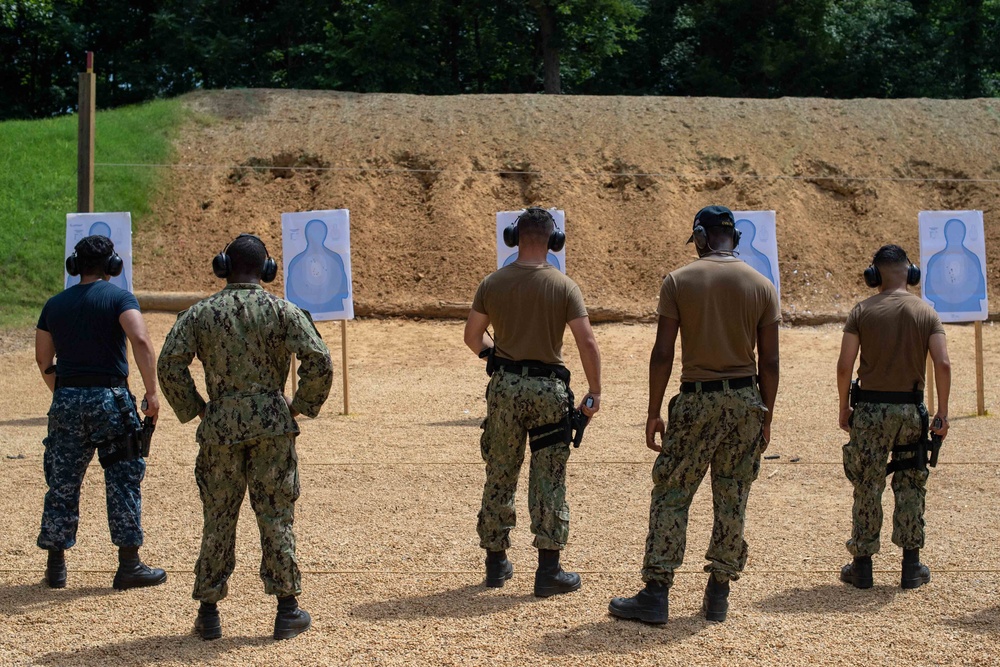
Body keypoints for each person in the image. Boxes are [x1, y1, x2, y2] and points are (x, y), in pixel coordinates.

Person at [157, 234, 333, 641]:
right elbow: (319, 361)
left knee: (218, 517)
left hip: (219, 426)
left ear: (224, 266)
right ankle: (287, 610)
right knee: (275, 515)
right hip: (272, 424)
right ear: (267, 269)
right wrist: (298, 405)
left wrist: (197, 408)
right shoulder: (282, 310)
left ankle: (209, 612)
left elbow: (170, 365)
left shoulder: (200, 313)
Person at [609, 205, 780, 624]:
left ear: (701, 238)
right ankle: (718, 594)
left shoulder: (678, 282)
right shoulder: (762, 285)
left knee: (673, 493)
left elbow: (663, 352)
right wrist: (767, 416)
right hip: (745, 402)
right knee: (732, 496)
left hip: (696, 399)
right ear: (735, 239)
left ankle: (656, 593)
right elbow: (770, 363)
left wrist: (653, 411)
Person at [464, 207, 601, 597]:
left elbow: (473, 337)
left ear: (514, 237)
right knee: (549, 478)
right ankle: (548, 571)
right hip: (547, 392)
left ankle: (495, 563)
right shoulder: (564, 286)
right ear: (553, 241)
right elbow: (586, 342)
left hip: (505, 388)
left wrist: (496, 357)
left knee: (500, 471)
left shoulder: (492, 283)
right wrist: (595, 391)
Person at [35, 234, 166, 590]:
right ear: (113, 266)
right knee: (123, 479)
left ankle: (56, 567)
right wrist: (151, 392)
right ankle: (128, 565)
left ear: (75, 266)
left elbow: (44, 360)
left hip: (66, 399)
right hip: (111, 398)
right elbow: (139, 340)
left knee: (62, 482)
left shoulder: (54, 304)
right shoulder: (120, 298)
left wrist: (65, 394)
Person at [837, 244, 950, 590]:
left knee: (867, 484)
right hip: (910, 410)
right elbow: (943, 364)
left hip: (870, 411)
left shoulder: (861, 310)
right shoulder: (926, 312)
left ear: (875, 276)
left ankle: (863, 567)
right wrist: (942, 413)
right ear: (910, 272)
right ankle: (911, 567)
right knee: (911, 483)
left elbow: (845, 365)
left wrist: (844, 406)